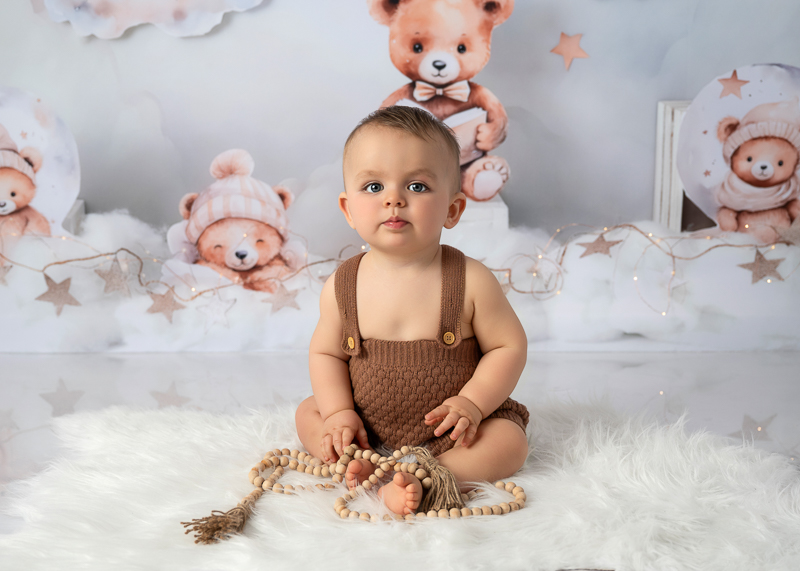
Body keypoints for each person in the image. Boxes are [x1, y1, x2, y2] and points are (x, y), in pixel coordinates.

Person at [295, 106, 529, 516]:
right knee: (309, 413)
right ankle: (355, 460)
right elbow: (326, 354)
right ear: (348, 209)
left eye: (417, 187)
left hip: (452, 429)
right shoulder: (342, 285)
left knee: (509, 441)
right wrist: (339, 413)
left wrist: (472, 403)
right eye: (373, 187)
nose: (393, 199)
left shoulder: (470, 280)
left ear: (453, 210)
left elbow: (508, 346)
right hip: (365, 425)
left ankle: (432, 476)